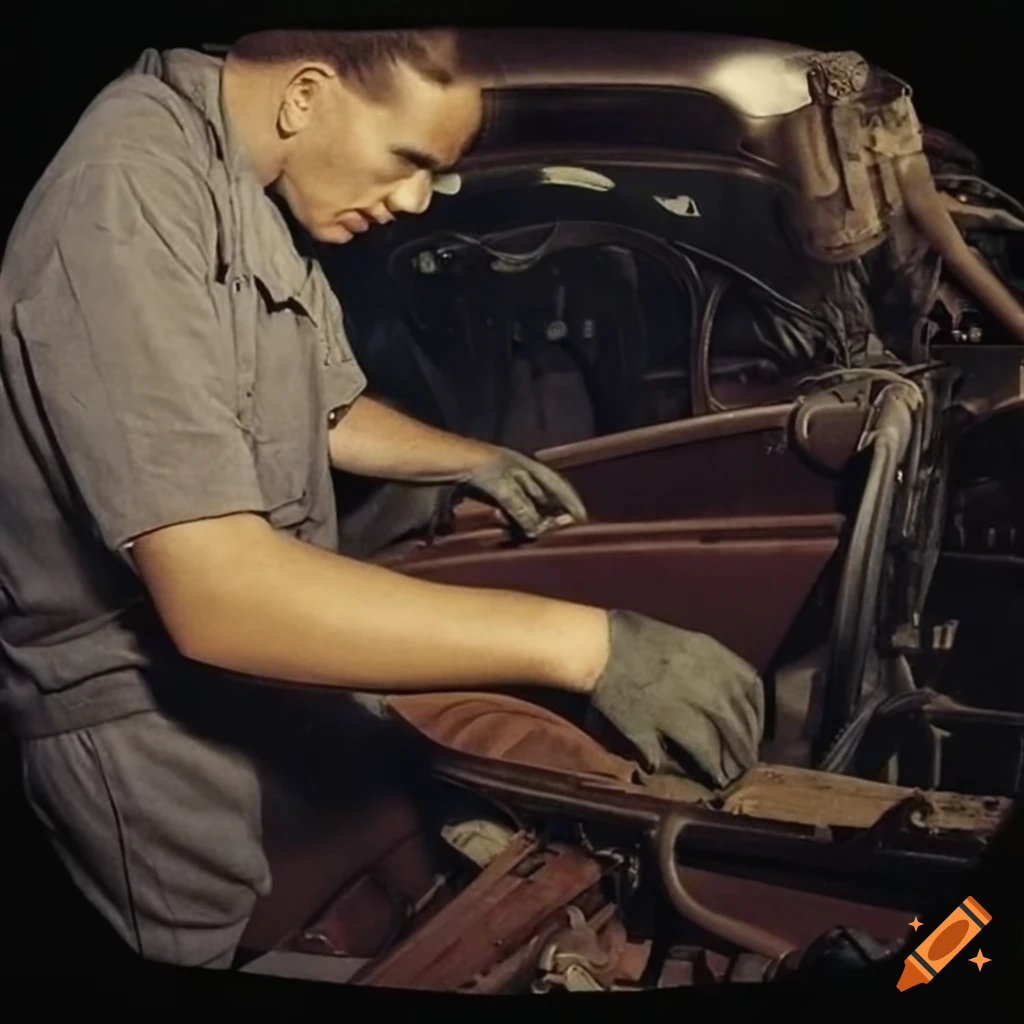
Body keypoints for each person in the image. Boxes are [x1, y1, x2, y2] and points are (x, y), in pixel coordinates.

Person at [0, 28, 764, 969]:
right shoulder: (126, 192)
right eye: (409, 160)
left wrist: (470, 459)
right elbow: (217, 593)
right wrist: (592, 645)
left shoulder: (238, 182)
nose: (412, 200)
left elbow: (326, 404)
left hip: (262, 684)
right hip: (145, 730)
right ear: (306, 94)